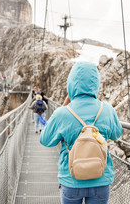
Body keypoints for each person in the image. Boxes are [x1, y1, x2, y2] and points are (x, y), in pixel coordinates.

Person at [40, 61, 123, 204]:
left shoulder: (62, 113)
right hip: (101, 179)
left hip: (72, 180)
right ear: (96, 83)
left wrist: (65, 105)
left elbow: (45, 139)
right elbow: (117, 134)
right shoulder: (107, 109)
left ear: (71, 83)